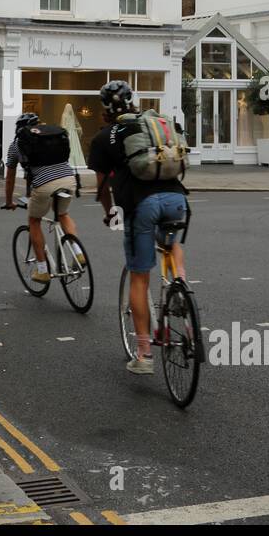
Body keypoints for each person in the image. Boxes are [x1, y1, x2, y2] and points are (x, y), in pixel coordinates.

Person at [89, 80, 187, 375]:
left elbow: (102, 189)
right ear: (133, 100)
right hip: (176, 198)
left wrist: (113, 218)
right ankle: (180, 284)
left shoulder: (105, 137)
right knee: (171, 243)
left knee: (139, 278)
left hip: (139, 205)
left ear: (104, 109)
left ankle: (143, 353)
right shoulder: (151, 125)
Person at [2, 113, 83, 283]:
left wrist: (9, 201)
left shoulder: (16, 144)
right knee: (62, 214)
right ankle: (78, 252)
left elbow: (9, 178)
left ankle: (42, 270)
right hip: (68, 179)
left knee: (34, 221)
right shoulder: (52, 136)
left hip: (44, 184)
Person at [60, 102, 87, 169]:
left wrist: (76, 129)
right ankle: (69, 163)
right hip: (69, 133)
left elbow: (75, 125)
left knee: (75, 148)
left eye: (70, 107)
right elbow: (63, 126)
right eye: (69, 107)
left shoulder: (71, 116)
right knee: (71, 147)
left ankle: (77, 163)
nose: (70, 109)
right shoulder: (64, 115)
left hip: (73, 134)